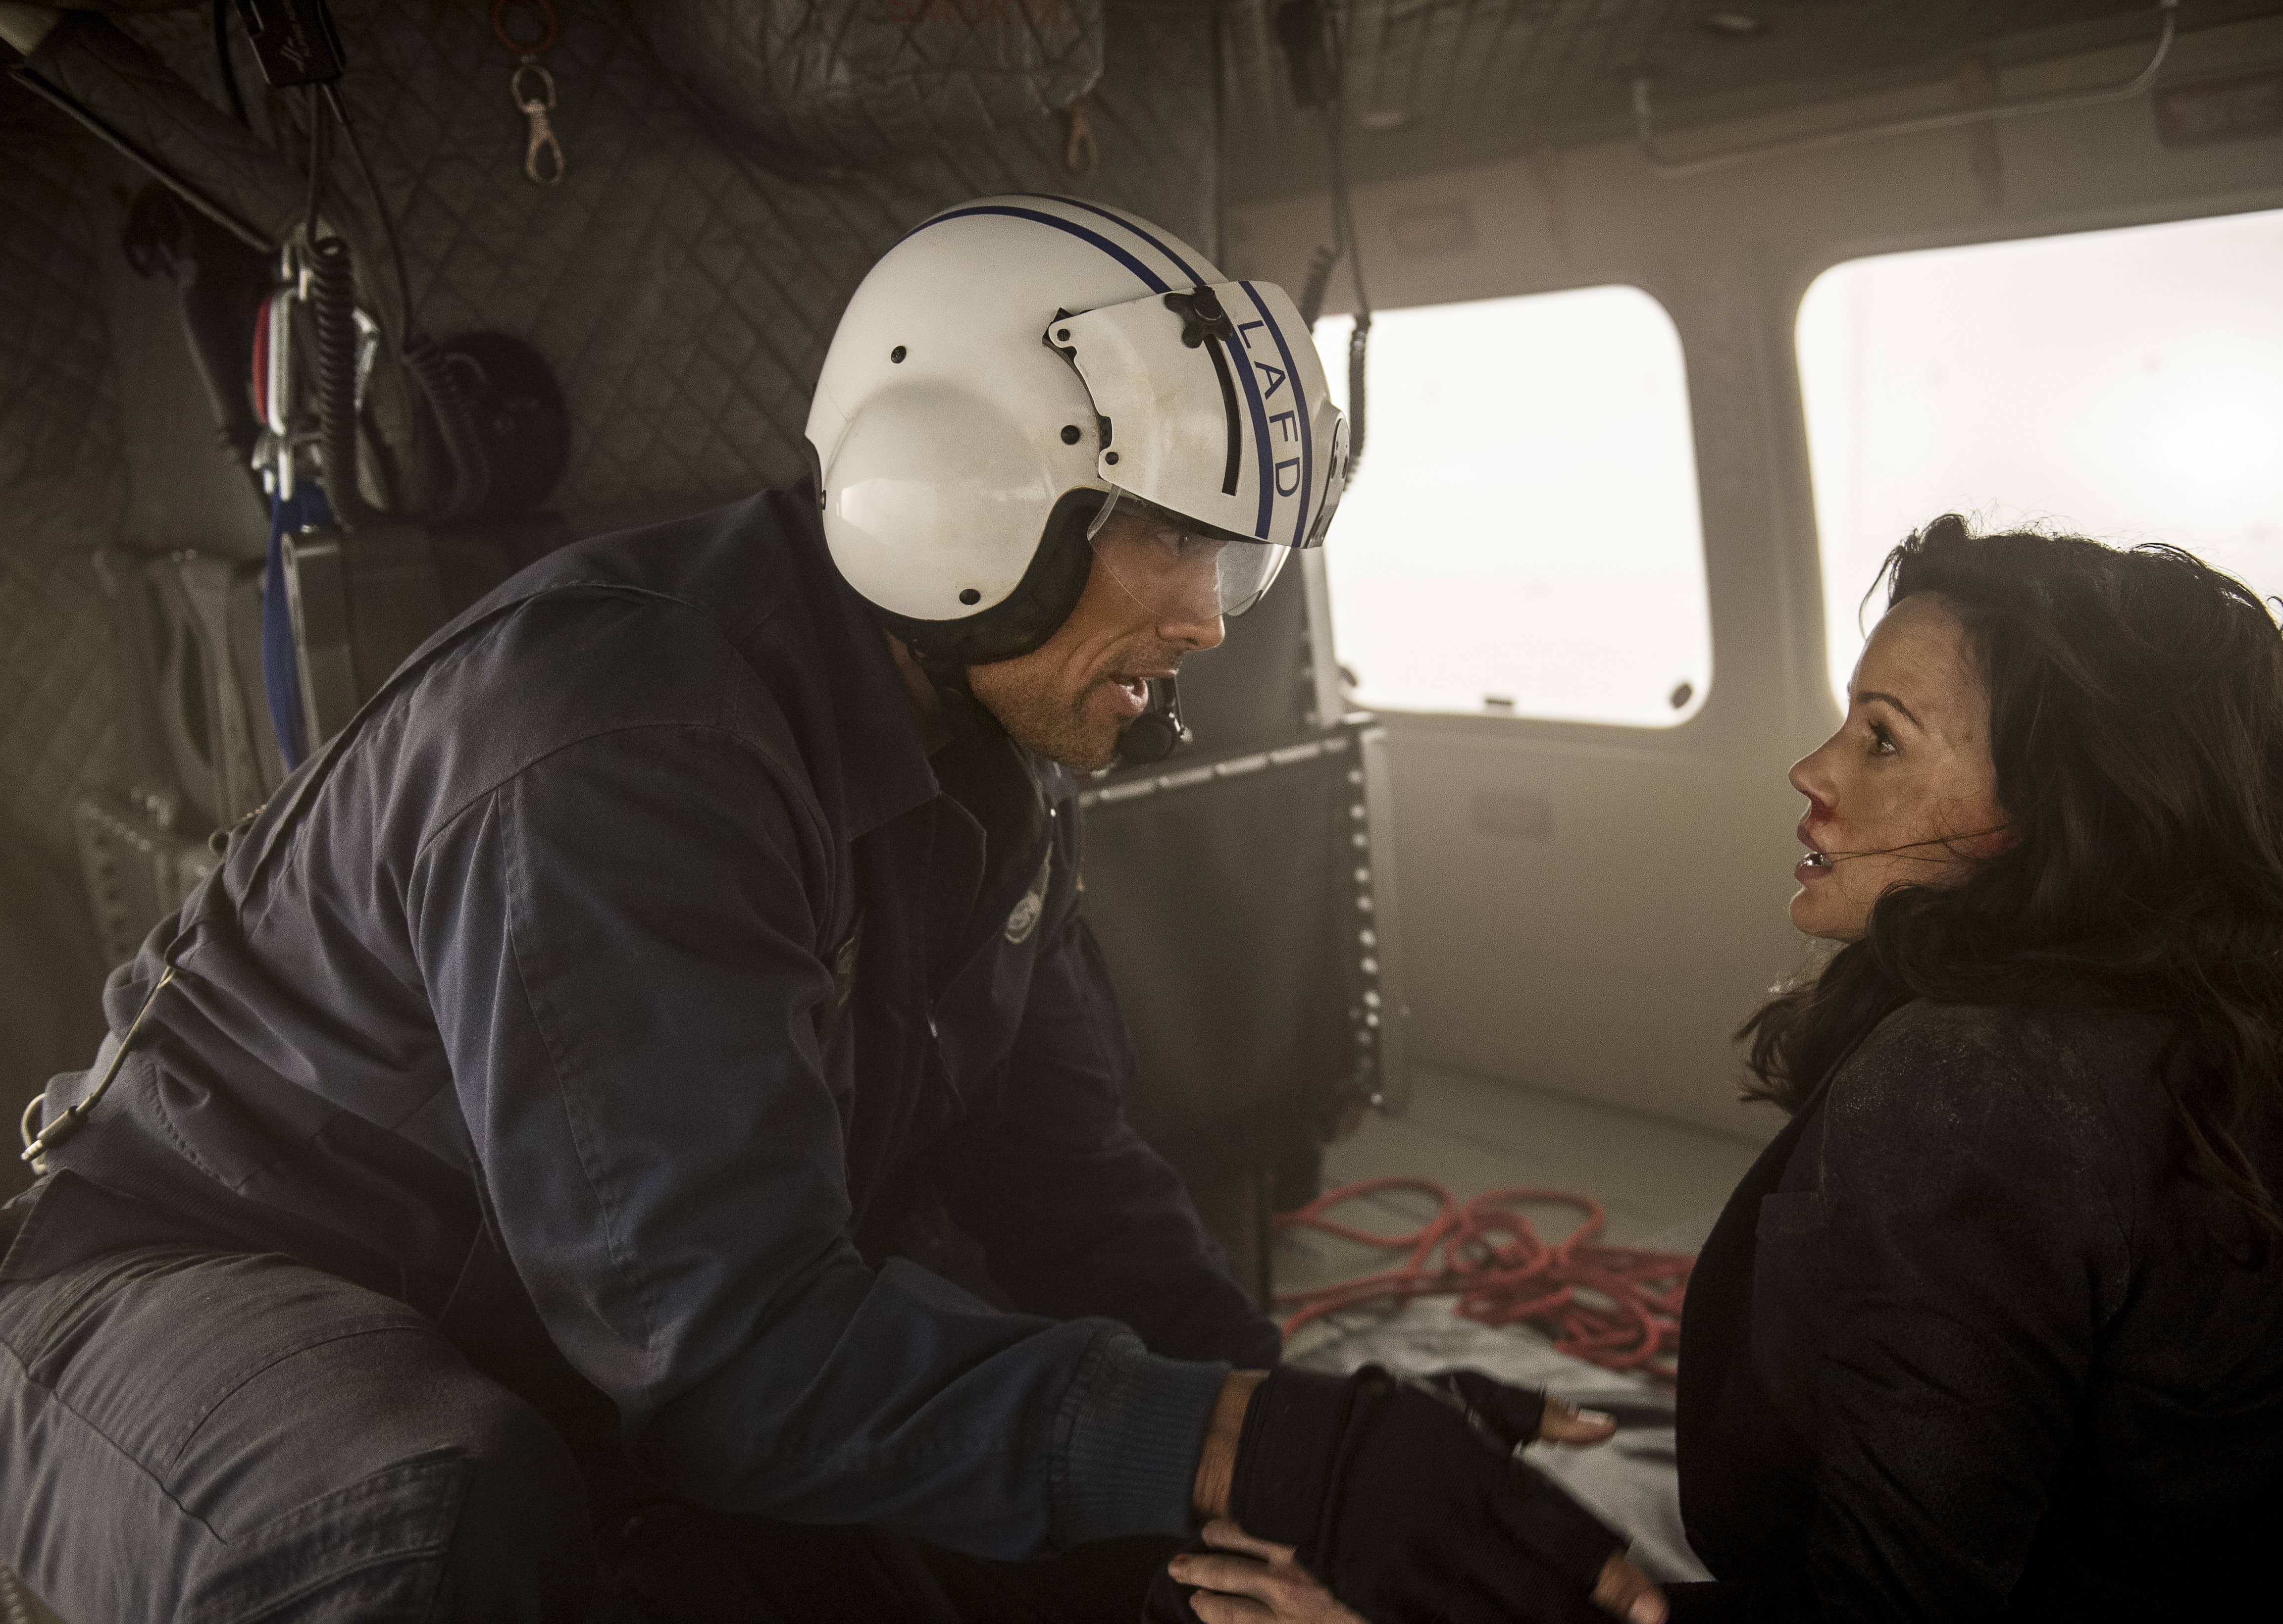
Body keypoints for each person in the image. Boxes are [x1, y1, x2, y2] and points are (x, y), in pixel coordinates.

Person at [0, 196, 1654, 1623]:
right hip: (197, 1281)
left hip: (567, 1316)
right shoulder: (622, 741)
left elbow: (1070, 1194)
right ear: (963, 497)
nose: (1209, 619)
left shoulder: (982, 774)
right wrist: (1260, 1451)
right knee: (428, 1526)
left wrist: (1304, 1456)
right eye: (1167, 536)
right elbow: (727, 1353)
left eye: (1232, 555)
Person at [1656, 515, 2283, 1621]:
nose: (1812, 771)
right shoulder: (2264, 1037)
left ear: (2058, 811)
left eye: (1883, 739)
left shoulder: (1966, 1089)